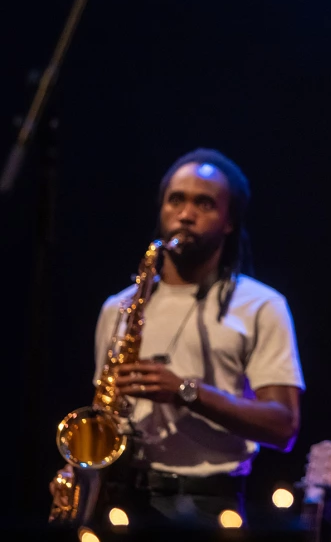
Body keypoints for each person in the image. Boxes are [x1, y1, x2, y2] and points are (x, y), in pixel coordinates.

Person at [49, 148, 305, 533]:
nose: (186, 215)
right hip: (119, 500)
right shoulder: (118, 307)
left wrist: (187, 392)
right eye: (176, 200)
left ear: (229, 221)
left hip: (206, 506)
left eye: (204, 203)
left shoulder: (261, 305)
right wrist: (78, 468)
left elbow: (283, 427)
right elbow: (103, 412)